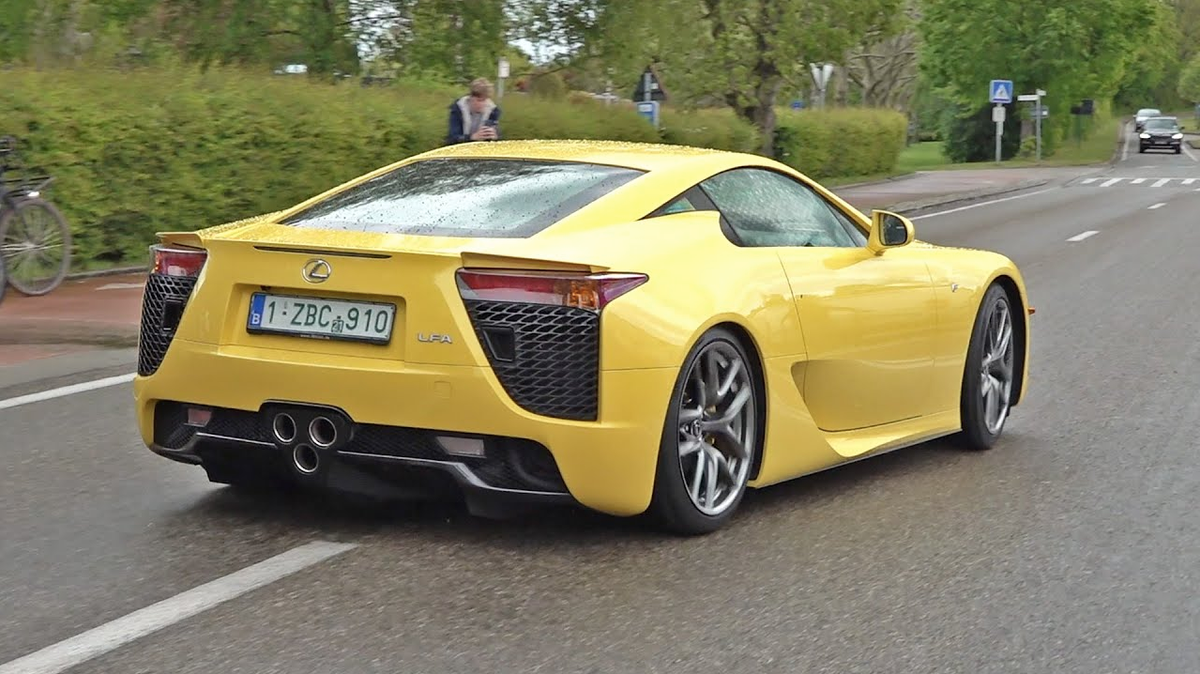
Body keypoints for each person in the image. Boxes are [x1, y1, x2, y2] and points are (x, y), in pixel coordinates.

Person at [446, 78, 501, 144]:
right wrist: (471, 138)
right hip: (460, 149)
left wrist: (494, 137)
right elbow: (452, 138)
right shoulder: (457, 109)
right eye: (479, 100)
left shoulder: (493, 111)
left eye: (485, 100)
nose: (482, 104)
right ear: (470, 97)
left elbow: (495, 138)